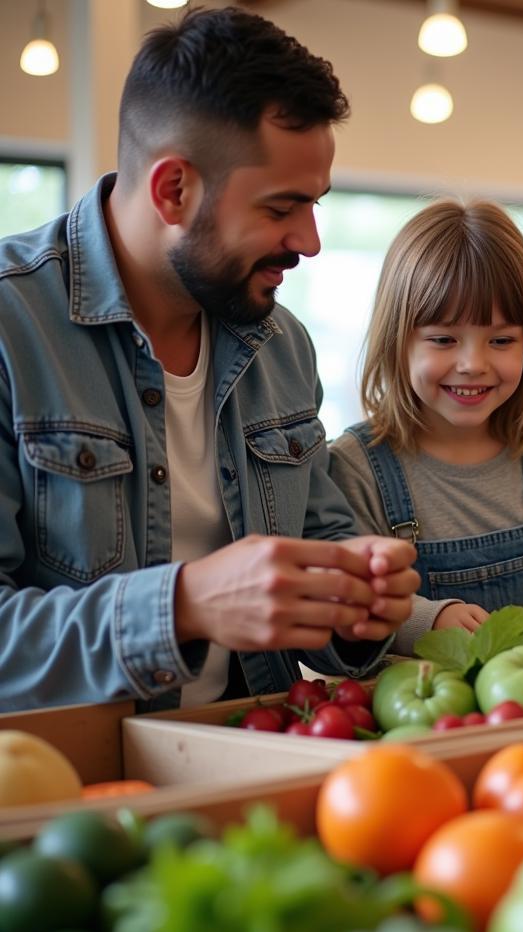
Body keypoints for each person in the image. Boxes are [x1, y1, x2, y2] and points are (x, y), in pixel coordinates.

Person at [0, 7, 420, 712]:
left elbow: (321, 543)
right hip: (72, 789)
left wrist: (357, 603)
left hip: (240, 754)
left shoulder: (280, 343)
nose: (311, 240)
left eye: (315, 205)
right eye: (282, 207)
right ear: (173, 190)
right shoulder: (14, 329)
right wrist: (185, 604)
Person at [329, 199, 523, 653]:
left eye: (501, 340)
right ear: (397, 341)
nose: (473, 364)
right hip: (425, 710)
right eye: (444, 340)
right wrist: (429, 618)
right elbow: (354, 600)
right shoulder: (355, 465)